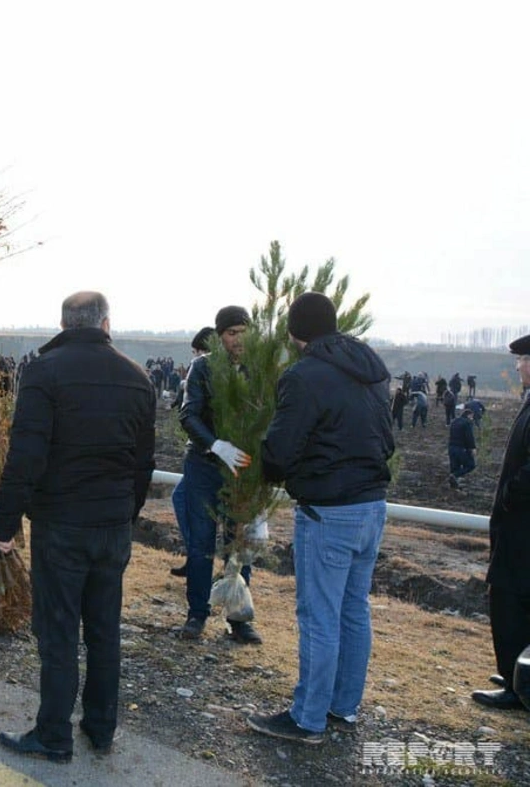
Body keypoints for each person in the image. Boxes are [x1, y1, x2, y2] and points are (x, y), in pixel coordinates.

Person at [0, 291, 155, 763]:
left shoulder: (44, 372)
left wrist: (4, 523)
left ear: (64, 324)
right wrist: (127, 514)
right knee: (104, 629)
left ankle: (53, 734)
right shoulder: (138, 377)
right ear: (106, 323)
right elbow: (143, 463)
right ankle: (101, 727)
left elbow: (26, 455)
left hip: (61, 524)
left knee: (58, 630)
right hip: (112, 525)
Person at [247, 292, 394, 744]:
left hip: (328, 510)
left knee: (319, 616)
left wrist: (269, 466)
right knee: (354, 610)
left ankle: (307, 718)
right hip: (372, 505)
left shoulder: (304, 375)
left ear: (294, 333)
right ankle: (343, 706)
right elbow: (386, 437)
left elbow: (279, 452)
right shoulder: (370, 367)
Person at [177, 306, 261, 644]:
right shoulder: (203, 367)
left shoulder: (260, 368)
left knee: (239, 544)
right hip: (204, 465)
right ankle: (197, 614)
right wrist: (215, 445)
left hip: (243, 469)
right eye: (231, 333)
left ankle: (238, 619)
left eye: (243, 332)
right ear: (220, 336)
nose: (238, 339)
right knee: (200, 543)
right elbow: (188, 414)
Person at [470, 335, 530, 712]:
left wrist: (510, 495)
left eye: (522, 360)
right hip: (519, 524)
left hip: (523, 525)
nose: (518, 366)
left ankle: (515, 684)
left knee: (510, 599)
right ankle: (518, 674)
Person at [169, 326, 215, 578]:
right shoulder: (198, 373)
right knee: (180, 498)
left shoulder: (208, 373)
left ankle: (200, 560)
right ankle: (195, 558)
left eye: (196, 352)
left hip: (208, 457)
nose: (194, 357)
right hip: (201, 454)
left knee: (187, 504)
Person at [447, 408, 477, 489]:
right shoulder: (467, 423)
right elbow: (469, 436)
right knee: (471, 465)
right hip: (461, 448)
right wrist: (472, 448)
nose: (472, 419)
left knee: (455, 467)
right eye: (472, 417)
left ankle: (453, 486)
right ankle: (455, 476)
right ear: (469, 415)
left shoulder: (454, 422)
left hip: (451, 447)